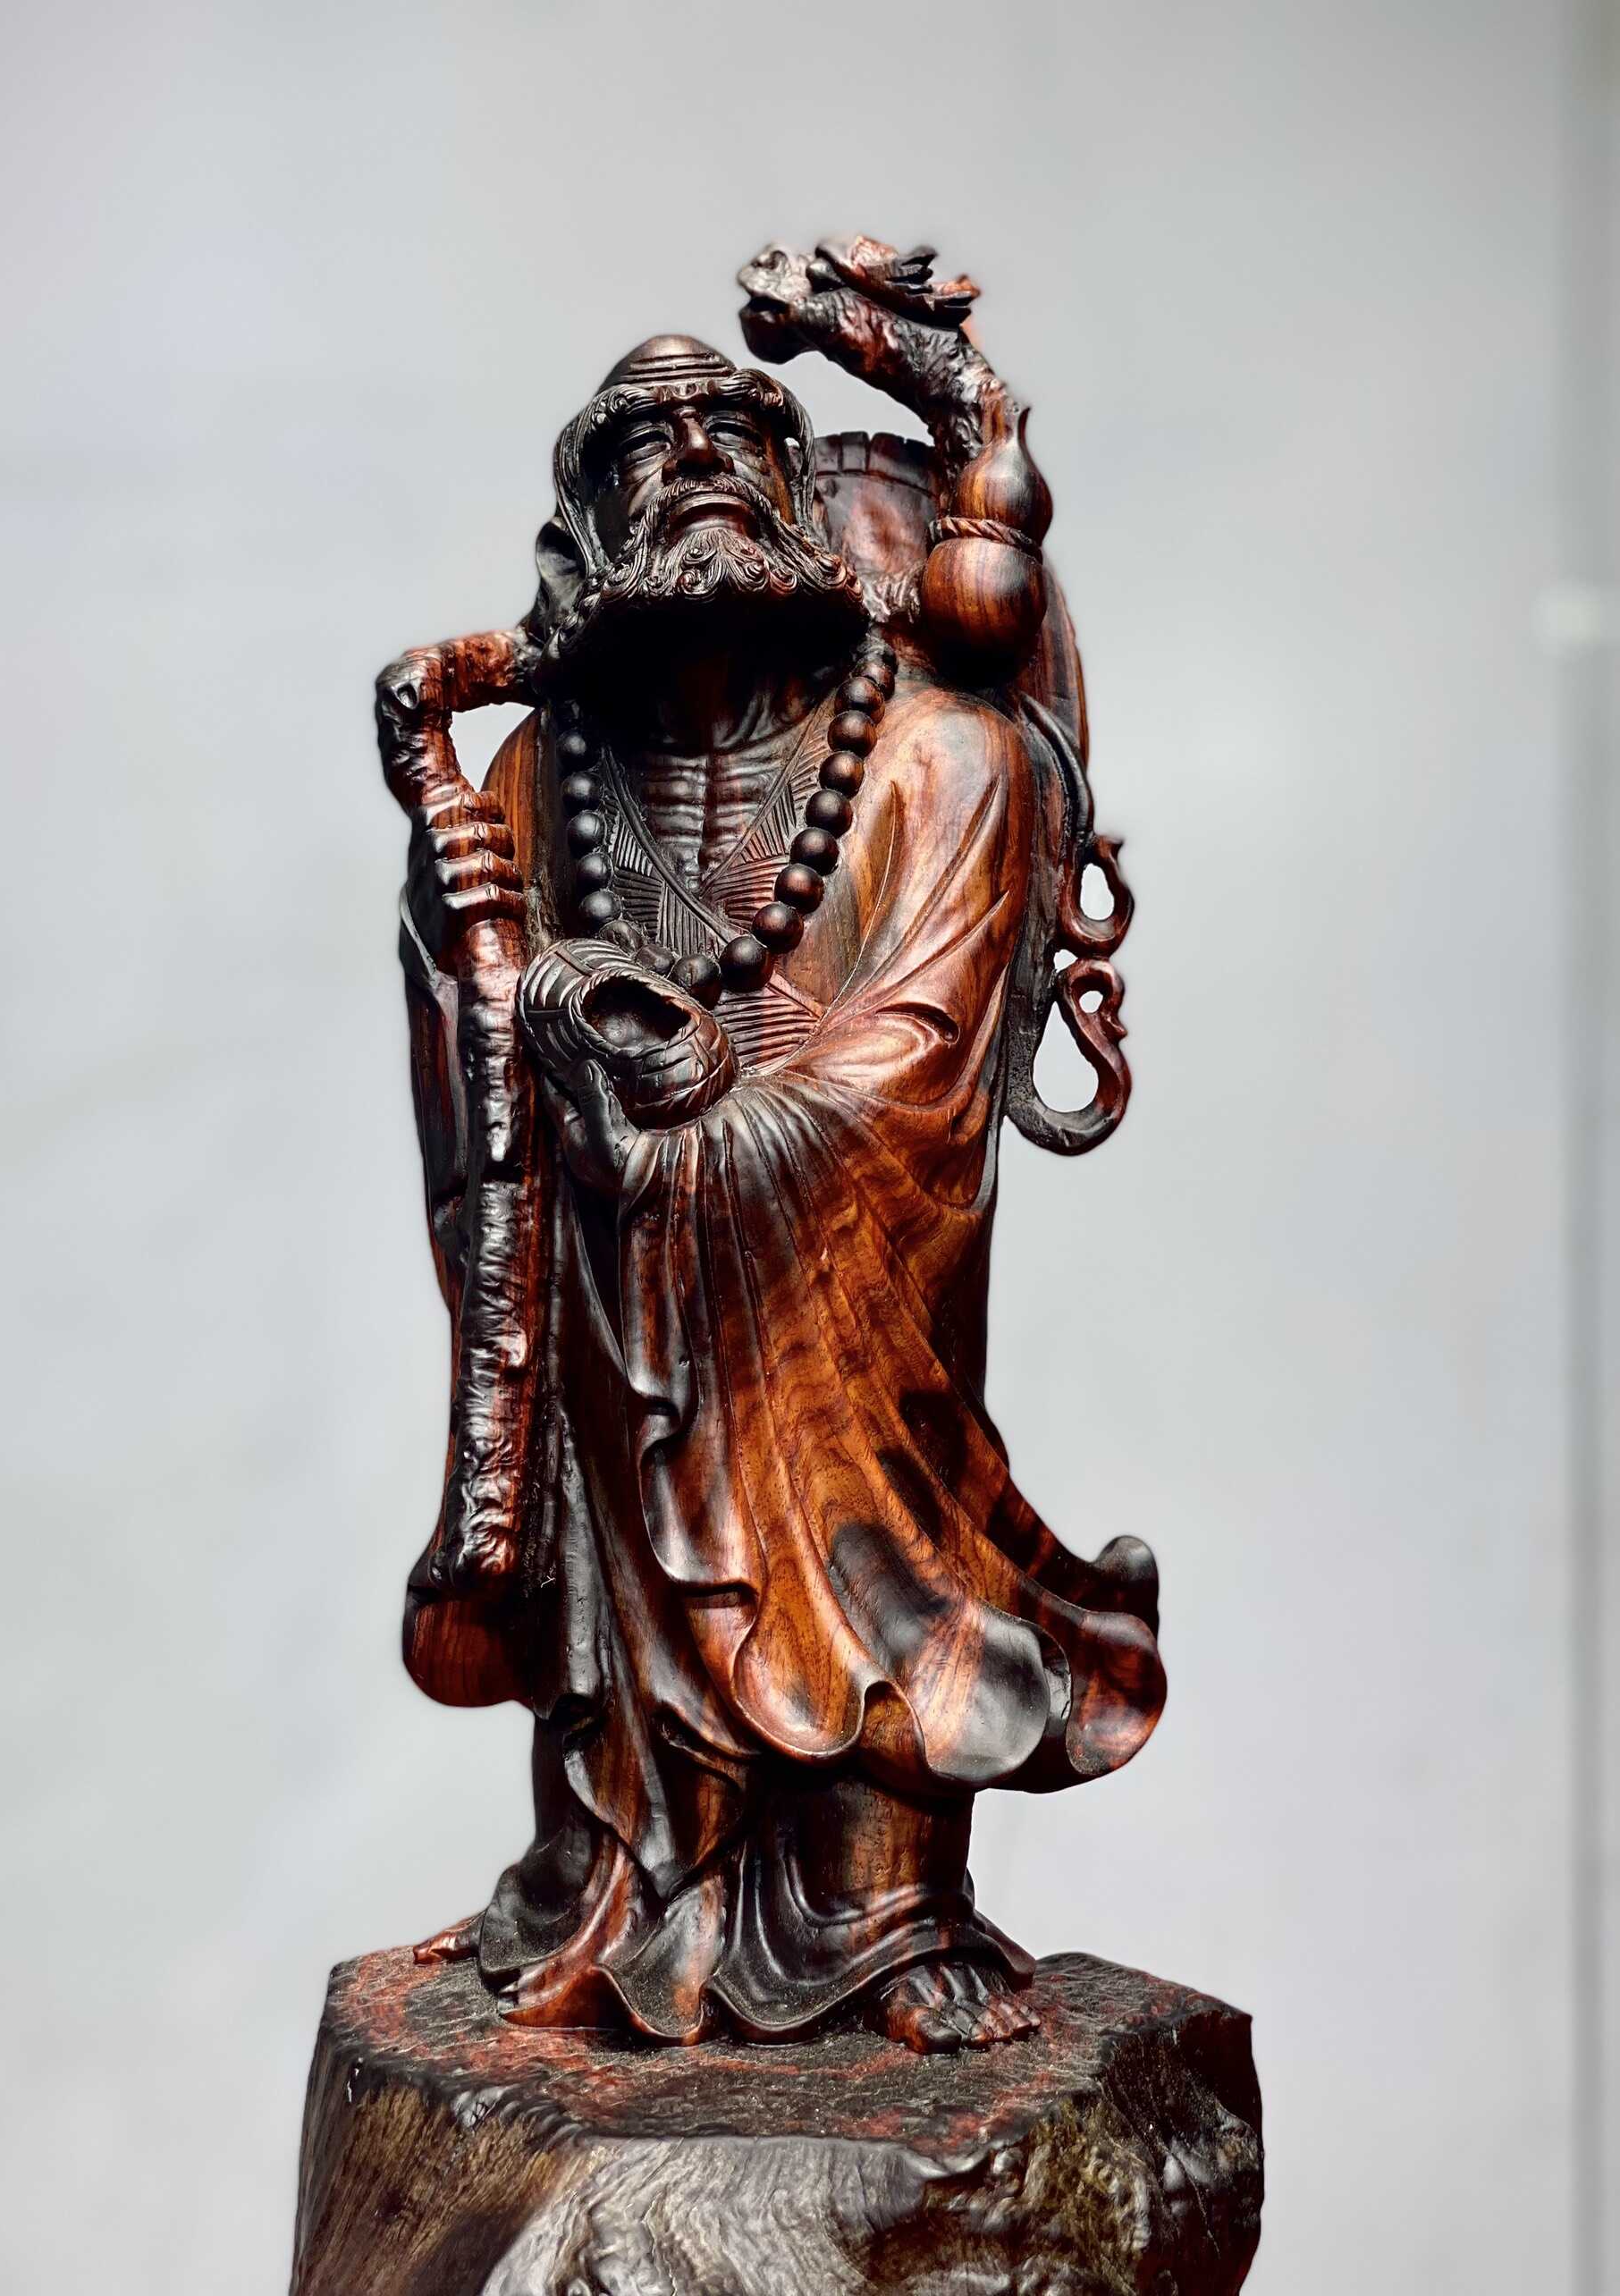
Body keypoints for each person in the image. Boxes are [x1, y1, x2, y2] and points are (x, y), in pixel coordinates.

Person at [380, 307, 1165, 2052]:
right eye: (642, 452)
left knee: (867, 1546)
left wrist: (682, 1126)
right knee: (621, 1532)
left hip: (837, 1298)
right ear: (577, 537)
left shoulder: (939, 755)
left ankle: (880, 1910)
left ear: (802, 492)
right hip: (617, 1321)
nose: (697, 470)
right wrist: (507, 978)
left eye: (735, 437)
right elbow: (485, 1097)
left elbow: (914, 1072)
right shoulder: (535, 781)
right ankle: (621, 1879)